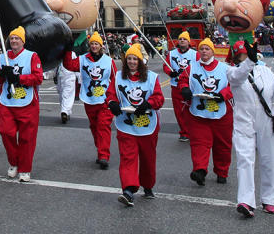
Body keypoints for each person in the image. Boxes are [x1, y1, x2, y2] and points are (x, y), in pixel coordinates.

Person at [227, 40, 274, 217]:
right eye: (246, 54)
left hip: (266, 121)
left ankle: (269, 199)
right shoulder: (231, 71)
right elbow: (237, 77)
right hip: (243, 122)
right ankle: (246, 201)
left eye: (250, 53)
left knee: (271, 160)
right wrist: (249, 63)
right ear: (239, 56)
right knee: (245, 160)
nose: (249, 56)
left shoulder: (266, 72)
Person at [107, 43, 163, 206]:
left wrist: (148, 104)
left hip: (147, 125)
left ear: (140, 61)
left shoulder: (152, 77)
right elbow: (110, 94)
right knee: (127, 157)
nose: (132, 62)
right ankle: (129, 190)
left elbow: (158, 98)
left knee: (147, 158)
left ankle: (148, 185)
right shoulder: (117, 77)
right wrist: (112, 104)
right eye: (129, 59)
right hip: (126, 124)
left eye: (135, 59)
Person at [180, 37, 234, 186]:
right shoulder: (191, 68)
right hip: (198, 113)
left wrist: (223, 95)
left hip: (221, 114)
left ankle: (222, 171)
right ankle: (200, 170)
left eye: (207, 49)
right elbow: (183, 80)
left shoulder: (225, 68)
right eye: (201, 49)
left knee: (222, 145)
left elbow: (233, 85)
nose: (204, 51)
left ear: (213, 51)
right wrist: (184, 88)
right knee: (199, 143)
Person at [62, 31, 117, 169]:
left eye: (96, 44)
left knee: (103, 126)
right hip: (89, 99)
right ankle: (100, 149)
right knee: (94, 126)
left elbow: (115, 80)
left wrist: (113, 98)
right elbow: (69, 65)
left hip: (105, 101)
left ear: (101, 46)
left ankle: (104, 155)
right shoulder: (82, 59)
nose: (94, 46)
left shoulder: (108, 61)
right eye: (92, 43)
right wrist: (68, 49)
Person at [0, 26, 43, 182]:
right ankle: (14, 162)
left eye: (17, 38)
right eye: (12, 38)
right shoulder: (3, 57)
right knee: (6, 132)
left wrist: (18, 78)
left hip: (27, 104)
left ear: (23, 41)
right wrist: (2, 75)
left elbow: (38, 78)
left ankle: (25, 168)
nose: (14, 41)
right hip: (8, 102)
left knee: (27, 138)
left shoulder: (32, 56)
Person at [163, 31, 197, 142]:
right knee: (179, 111)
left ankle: (194, 131)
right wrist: (170, 72)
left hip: (190, 87)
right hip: (175, 86)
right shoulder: (172, 54)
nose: (182, 40)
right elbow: (166, 66)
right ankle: (184, 132)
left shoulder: (195, 54)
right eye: (180, 39)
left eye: (184, 39)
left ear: (188, 42)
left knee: (191, 109)